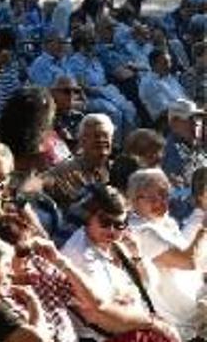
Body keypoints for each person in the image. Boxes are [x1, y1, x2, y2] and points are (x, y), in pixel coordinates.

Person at [60, 184, 181, 342]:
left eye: (119, 224)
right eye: (105, 222)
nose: (112, 230)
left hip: (136, 325)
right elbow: (104, 314)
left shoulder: (118, 244)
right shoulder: (79, 254)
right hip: (105, 336)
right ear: (88, 218)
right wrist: (153, 324)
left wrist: (136, 255)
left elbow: (148, 285)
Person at [127, 169, 206, 340]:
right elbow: (187, 262)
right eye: (152, 198)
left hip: (196, 309)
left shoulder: (166, 221)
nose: (161, 202)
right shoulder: (140, 231)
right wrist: (203, 228)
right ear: (134, 200)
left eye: (164, 195)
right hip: (177, 322)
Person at [41, 113, 114, 211]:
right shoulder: (65, 171)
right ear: (82, 140)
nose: (101, 140)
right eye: (96, 136)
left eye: (105, 135)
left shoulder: (116, 169)